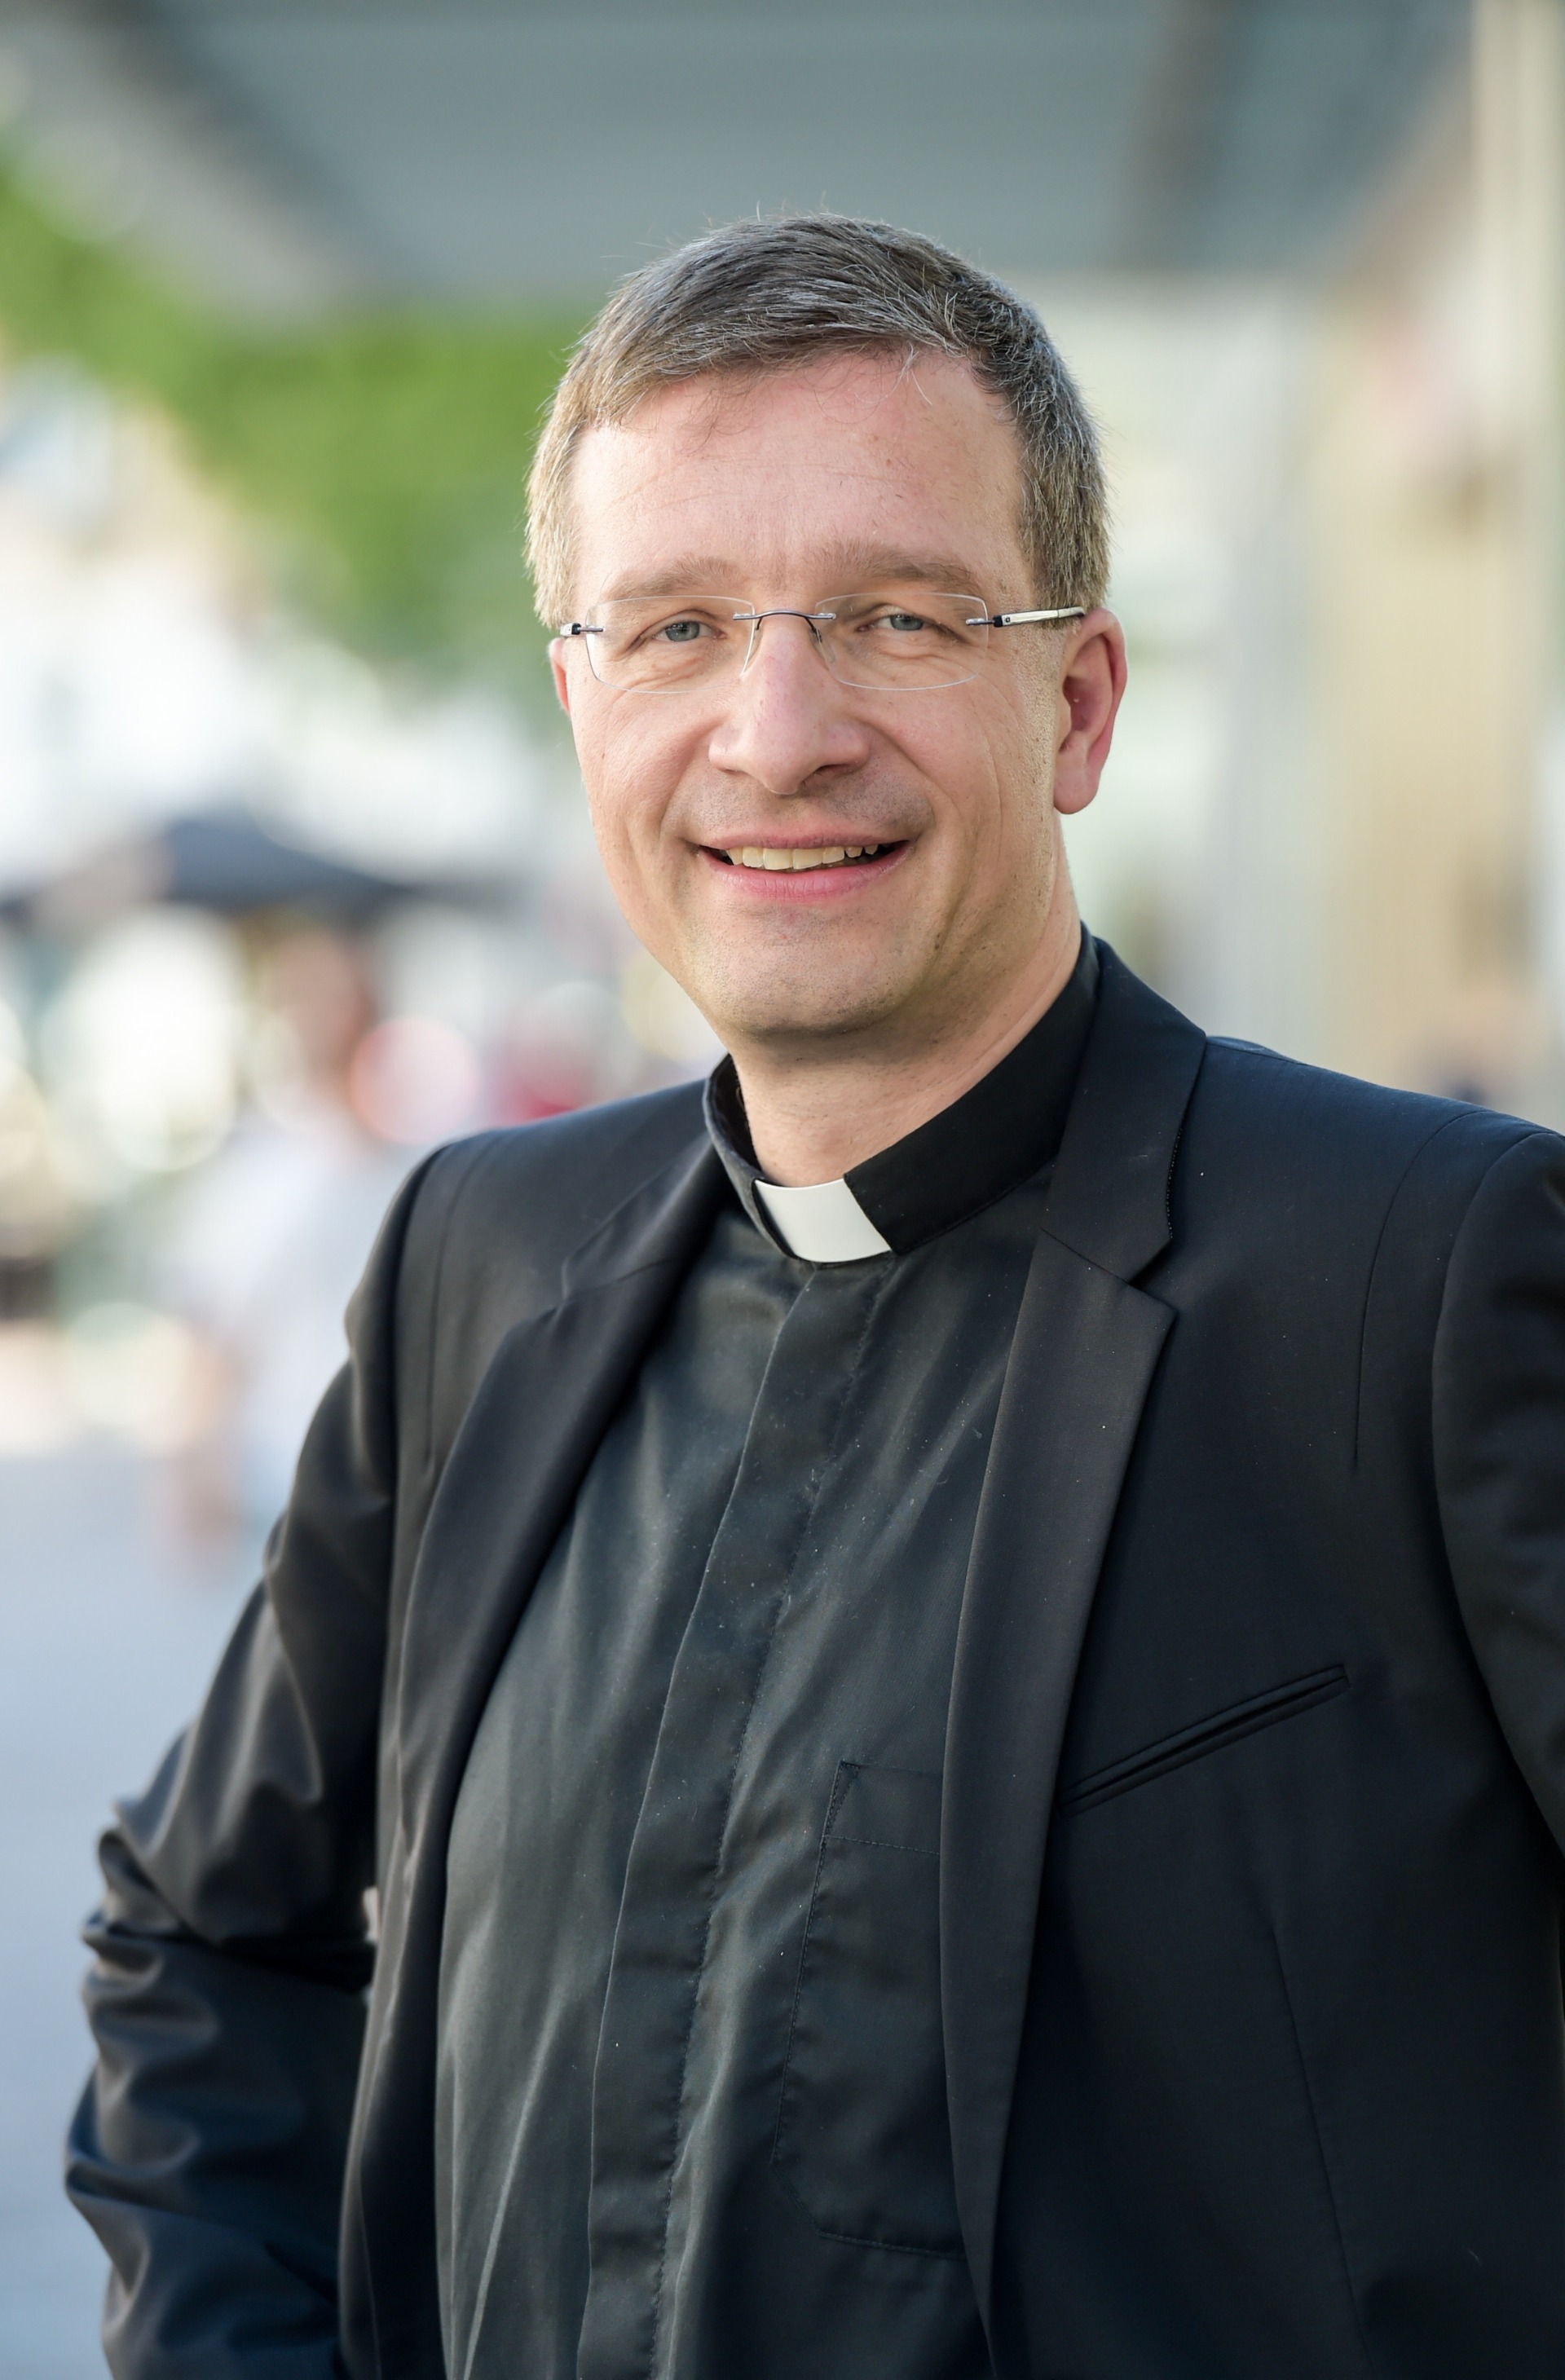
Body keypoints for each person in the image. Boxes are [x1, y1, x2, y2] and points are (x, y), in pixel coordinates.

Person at [68, 217, 1565, 2380]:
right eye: (675, 626)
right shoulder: (477, 1264)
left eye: (896, 617)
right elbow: (203, 1941)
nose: (776, 735)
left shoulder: (1426, 1280)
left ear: (1076, 702)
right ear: (581, 698)